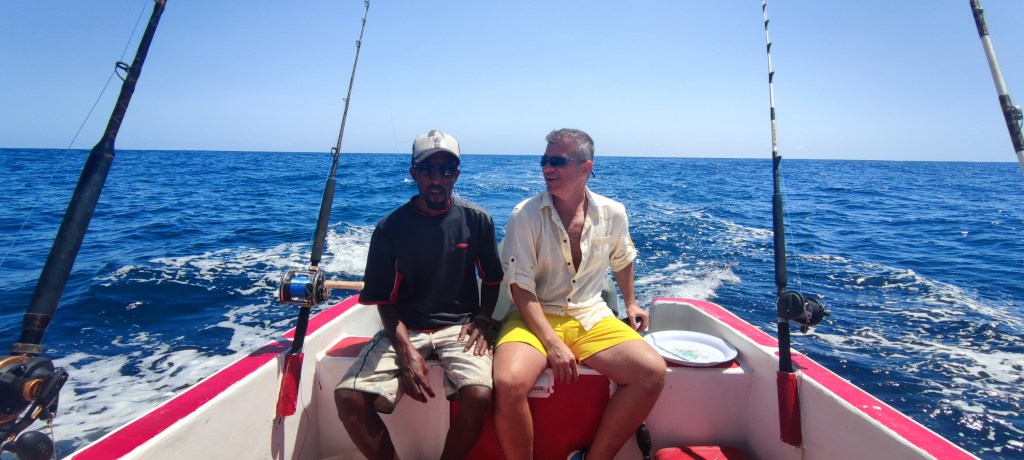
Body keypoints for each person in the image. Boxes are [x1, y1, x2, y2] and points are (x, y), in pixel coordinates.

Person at [493, 128, 667, 460]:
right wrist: (552, 343)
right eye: (544, 160)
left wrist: (631, 303)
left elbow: (622, 260)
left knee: (651, 373)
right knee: (509, 383)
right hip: (534, 317)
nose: (547, 168)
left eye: (557, 161)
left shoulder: (613, 213)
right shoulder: (524, 215)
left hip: (590, 314)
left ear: (586, 168)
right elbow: (520, 288)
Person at [334, 130, 504, 460]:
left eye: (445, 170)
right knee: (348, 398)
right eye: (427, 169)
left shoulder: (477, 220)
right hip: (405, 326)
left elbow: (492, 278)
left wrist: (483, 319)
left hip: (459, 327)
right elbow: (384, 300)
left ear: (456, 175)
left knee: (479, 395)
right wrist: (406, 350)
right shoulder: (389, 228)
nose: (436, 179)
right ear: (414, 173)